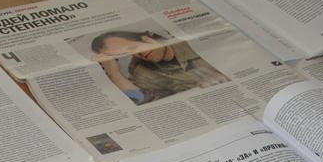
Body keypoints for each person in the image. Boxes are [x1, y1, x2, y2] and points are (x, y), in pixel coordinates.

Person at [91, 30, 229, 105]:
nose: (140, 54)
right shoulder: (142, 72)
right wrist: (113, 71)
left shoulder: (188, 41)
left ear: (145, 38)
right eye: (125, 54)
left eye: (133, 47)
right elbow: (139, 99)